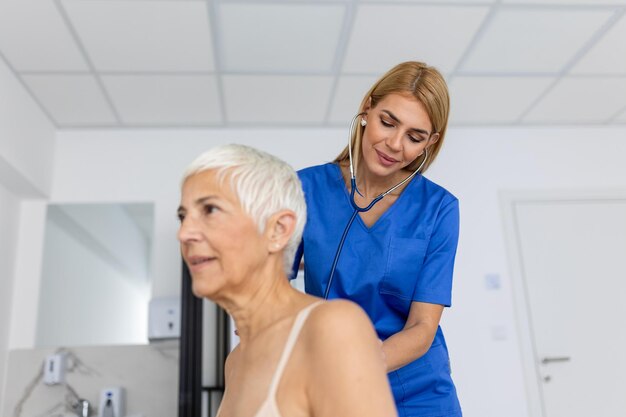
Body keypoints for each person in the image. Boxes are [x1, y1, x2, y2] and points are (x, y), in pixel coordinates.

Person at [292, 61, 462, 417]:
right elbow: (270, 291)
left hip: (416, 388)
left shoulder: (439, 209)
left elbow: (422, 326)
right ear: (367, 109)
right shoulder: (304, 189)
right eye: (388, 122)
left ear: (428, 144)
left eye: (414, 137)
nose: (394, 144)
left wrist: (356, 366)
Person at [177, 144, 397, 417]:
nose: (185, 233)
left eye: (210, 210)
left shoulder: (332, 328)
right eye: (183, 216)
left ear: (278, 230)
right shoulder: (236, 361)